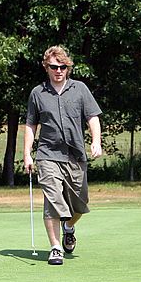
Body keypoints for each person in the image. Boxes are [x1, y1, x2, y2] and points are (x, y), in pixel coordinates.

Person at [24, 46, 103, 265]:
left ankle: (68, 227)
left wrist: (96, 141)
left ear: (68, 67)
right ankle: (55, 247)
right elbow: (31, 124)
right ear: (46, 67)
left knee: (80, 204)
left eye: (63, 66)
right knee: (52, 198)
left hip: (75, 156)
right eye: (54, 67)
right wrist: (27, 154)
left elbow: (93, 117)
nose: (59, 70)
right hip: (47, 154)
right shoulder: (37, 93)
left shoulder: (80, 89)